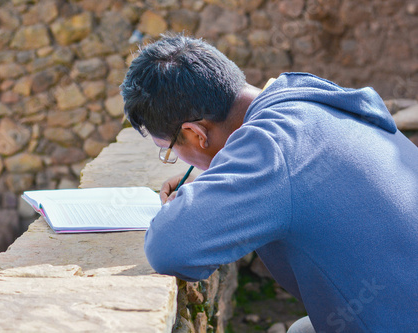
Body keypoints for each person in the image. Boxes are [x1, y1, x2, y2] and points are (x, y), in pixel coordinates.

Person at [120, 35, 418, 332]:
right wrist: (227, 178)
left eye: (169, 148)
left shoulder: (271, 148)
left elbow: (169, 248)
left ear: (196, 133)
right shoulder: (305, 99)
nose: (172, 158)